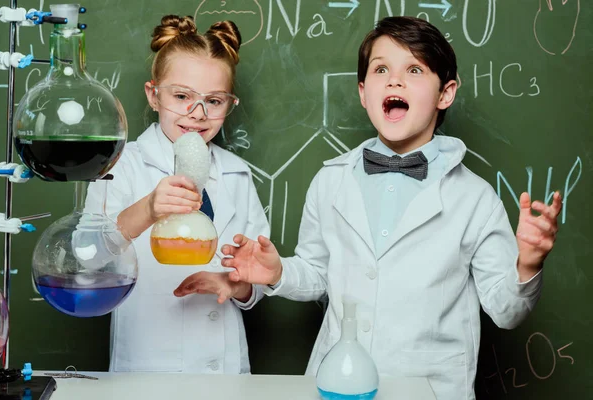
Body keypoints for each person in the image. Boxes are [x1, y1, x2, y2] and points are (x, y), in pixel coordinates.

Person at [219, 16, 562, 399]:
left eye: (414, 69)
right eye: (381, 69)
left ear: (445, 93)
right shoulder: (330, 180)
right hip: (337, 384)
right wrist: (278, 271)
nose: (395, 81)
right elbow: (318, 274)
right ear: (364, 92)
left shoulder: (476, 199)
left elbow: (506, 311)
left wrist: (528, 264)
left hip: (429, 389)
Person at [86, 15, 269, 374]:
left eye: (214, 101)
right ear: (154, 95)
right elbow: (88, 259)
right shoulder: (121, 166)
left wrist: (237, 287)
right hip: (147, 364)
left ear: (230, 105)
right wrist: (148, 209)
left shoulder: (237, 173)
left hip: (226, 367)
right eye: (182, 96)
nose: (197, 113)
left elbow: (257, 275)